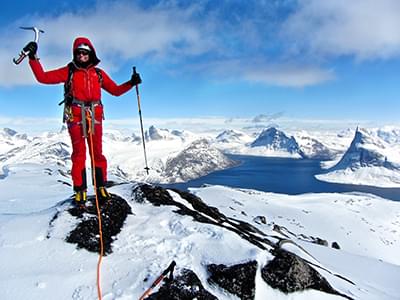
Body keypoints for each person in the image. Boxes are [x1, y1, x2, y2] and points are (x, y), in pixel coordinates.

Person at [23, 37, 142, 204]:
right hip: (76, 116)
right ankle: (80, 190)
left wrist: (131, 83)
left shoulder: (98, 73)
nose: (81, 55)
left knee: (97, 153)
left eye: (85, 52)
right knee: (79, 154)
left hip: (94, 117)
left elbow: (115, 90)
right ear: (74, 53)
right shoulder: (69, 71)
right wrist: (33, 58)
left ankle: (101, 186)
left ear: (91, 53)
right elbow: (42, 77)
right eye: (78, 52)